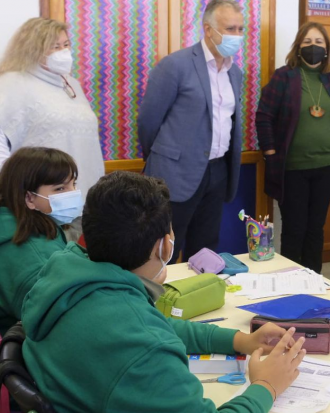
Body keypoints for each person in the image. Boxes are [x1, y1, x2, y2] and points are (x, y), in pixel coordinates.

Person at [22, 171, 305, 413]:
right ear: (165, 246)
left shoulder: (69, 273)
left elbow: (157, 326)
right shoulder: (145, 347)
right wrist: (266, 386)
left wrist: (240, 340)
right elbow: (149, 337)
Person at [138, 0, 244, 262]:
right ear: (209, 30)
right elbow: (149, 121)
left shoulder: (235, 72)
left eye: (241, 29)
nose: (237, 35)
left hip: (217, 171)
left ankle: (200, 299)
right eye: (230, 29)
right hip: (175, 173)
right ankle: (162, 304)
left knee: (206, 248)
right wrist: (164, 159)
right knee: (166, 250)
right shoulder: (175, 65)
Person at [255, 22, 330, 274]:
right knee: (294, 228)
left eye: (319, 42)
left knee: (315, 228)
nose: (314, 47)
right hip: (293, 167)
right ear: (298, 48)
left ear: (327, 48)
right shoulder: (284, 77)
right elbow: (264, 115)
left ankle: (313, 280)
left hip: (329, 166)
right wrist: (269, 152)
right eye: (308, 42)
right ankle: (290, 282)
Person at [0, 17, 104, 199]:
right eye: (55, 47)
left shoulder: (71, 84)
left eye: (66, 44)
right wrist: (14, 193)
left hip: (83, 198)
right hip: (35, 203)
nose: (64, 52)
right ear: (33, 50)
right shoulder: (10, 84)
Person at [0, 147, 78, 335]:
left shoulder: (12, 231)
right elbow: (65, 325)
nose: (73, 193)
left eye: (73, 184)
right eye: (60, 188)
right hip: (25, 356)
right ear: (29, 197)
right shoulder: (33, 257)